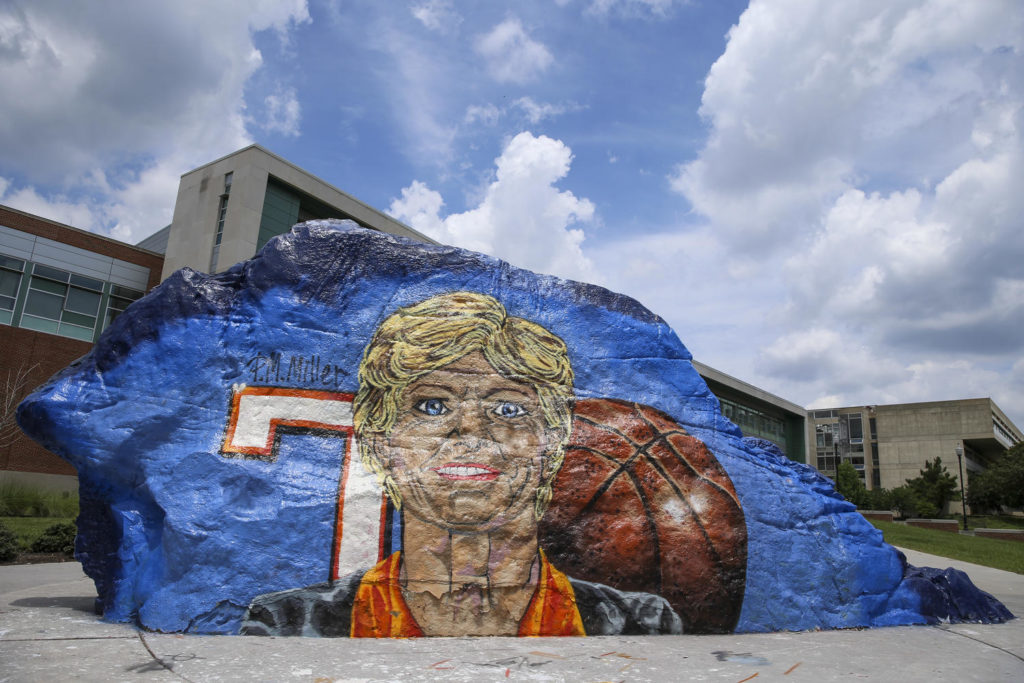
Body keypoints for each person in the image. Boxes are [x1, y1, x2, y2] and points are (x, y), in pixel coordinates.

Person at [241, 291, 682, 637]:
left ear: (552, 443)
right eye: (432, 405)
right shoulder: (289, 624)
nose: (470, 431)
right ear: (379, 441)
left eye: (508, 409)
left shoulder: (637, 624)